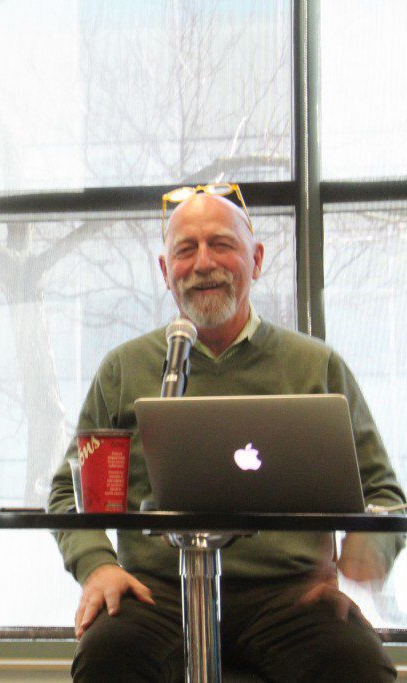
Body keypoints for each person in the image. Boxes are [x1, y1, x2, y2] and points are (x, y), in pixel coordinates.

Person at [47, 186, 405, 682]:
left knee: (358, 668)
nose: (203, 263)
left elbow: (384, 493)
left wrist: (368, 550)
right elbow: (68, 490)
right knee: (106, 659)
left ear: (255, 259)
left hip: (290, 598)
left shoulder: (315, 365)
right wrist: (97, 566)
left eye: (221, 245)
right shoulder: (125, 368)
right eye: (185, 250)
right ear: (164, 270)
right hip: (157, 596)